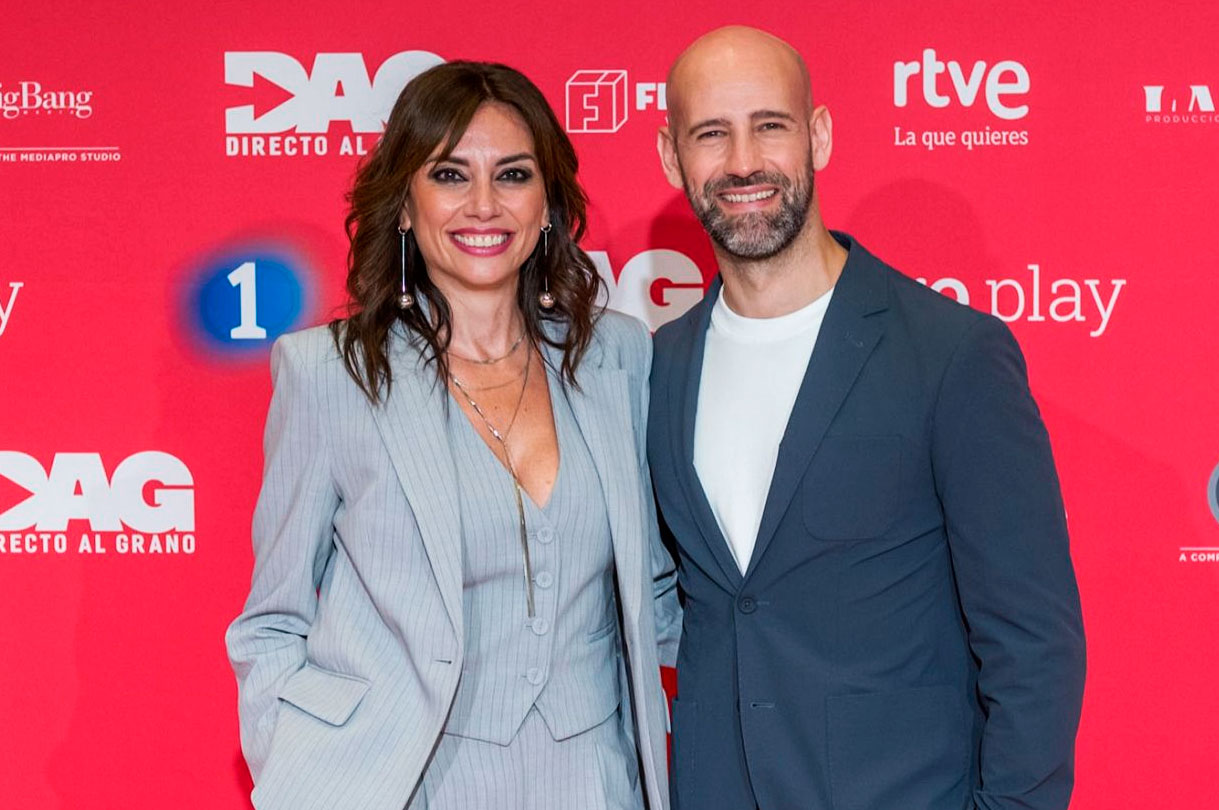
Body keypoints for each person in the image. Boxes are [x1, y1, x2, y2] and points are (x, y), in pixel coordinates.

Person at [648, 26, 1086, 810]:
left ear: (816, 136)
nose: (742, 161)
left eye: (769, 125)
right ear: (670, 156)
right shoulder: (657, 367)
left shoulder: (950, 354)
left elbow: (1032, 643)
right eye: (710, 133)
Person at [226, 61, 680, 810]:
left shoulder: (619, 357)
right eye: (448, 175)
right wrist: (307, 778)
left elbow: (655, 588)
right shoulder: (330, 374)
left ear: (546, 203)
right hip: (408, 782)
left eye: (512, 175)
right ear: (405, 205)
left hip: (595, 779)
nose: (483, 205)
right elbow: (273, 619)